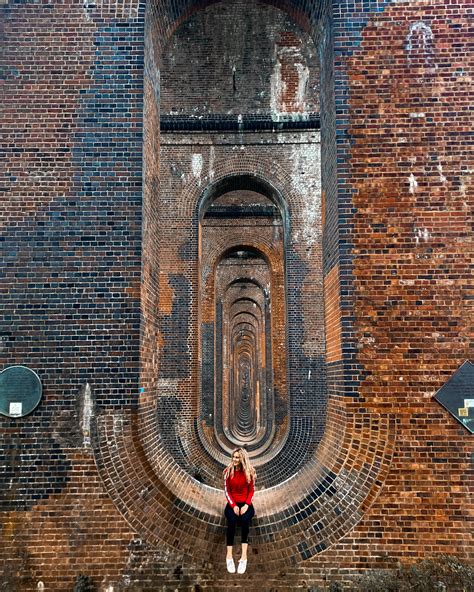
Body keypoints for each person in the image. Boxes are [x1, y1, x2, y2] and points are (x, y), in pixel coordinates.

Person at [223, 447, 256, 574]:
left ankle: (244, 557)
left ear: (242, 458)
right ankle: (229, 556)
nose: (235, 459)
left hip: (246, 504)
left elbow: (252, 490)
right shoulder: (228, 471)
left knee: (245, 521)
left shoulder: (249, 472)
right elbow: (227, 491)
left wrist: (247, 505)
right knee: (231, 521)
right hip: (232, 504)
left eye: (237, 457)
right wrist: (233, 505)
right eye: (234, 457)